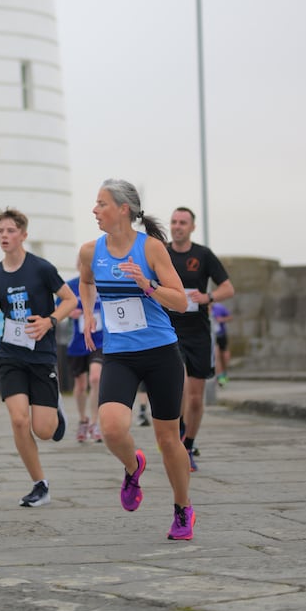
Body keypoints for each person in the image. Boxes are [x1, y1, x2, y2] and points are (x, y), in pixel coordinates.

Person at [79, 178, 195, 541]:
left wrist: (147, 284)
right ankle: (133, 466)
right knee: (111, 428)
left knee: (168, 439)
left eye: (101, 204)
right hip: (119, 355)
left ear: (123, 209)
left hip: (161, 353)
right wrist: (87, 314)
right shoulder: (89, 251)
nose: (94, 210)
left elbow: (181, 301)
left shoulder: (152, 249)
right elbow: (85, 282)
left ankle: (182, 509)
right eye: (95, 204)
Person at [0, 207, 77, 507]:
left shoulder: (41, 268)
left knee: (43, 431)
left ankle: (55, 409)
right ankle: (40, 485)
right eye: (0, 231)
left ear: (23, 235)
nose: (4, 236)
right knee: (19, 420)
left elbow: (70, 300)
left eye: (10, 231)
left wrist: (50, 320)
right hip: (11, 355)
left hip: (42, 353)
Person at [166, 206, 235, 471]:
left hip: (198, 333)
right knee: (179, 386)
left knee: (196, 397)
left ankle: (188, 444)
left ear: (192, 227)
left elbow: (228, 287)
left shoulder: (203, 255)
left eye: (183, 222)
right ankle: (177, 433)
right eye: (173, 221)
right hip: (169, 331)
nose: (177, 226)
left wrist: (208, 297)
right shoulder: (162, 252)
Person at [61, 256, 104, 443]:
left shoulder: (103, 284)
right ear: (78, 265)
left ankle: (95, 422)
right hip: (77, 344)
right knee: (80, 385)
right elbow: (58, 308)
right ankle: (83, 420)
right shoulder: (70, 286)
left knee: (96, 378)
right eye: (82, 263)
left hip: (100, 341)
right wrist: (70, 312)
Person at [211, 300, 232, 385]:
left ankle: (224, 372)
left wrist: (222, 319)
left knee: (224, 354)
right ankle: (220, 377)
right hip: (212, 335)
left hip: (221, 334)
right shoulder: (202, 307)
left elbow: (230, 317)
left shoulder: (219, 307)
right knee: (216, 355)